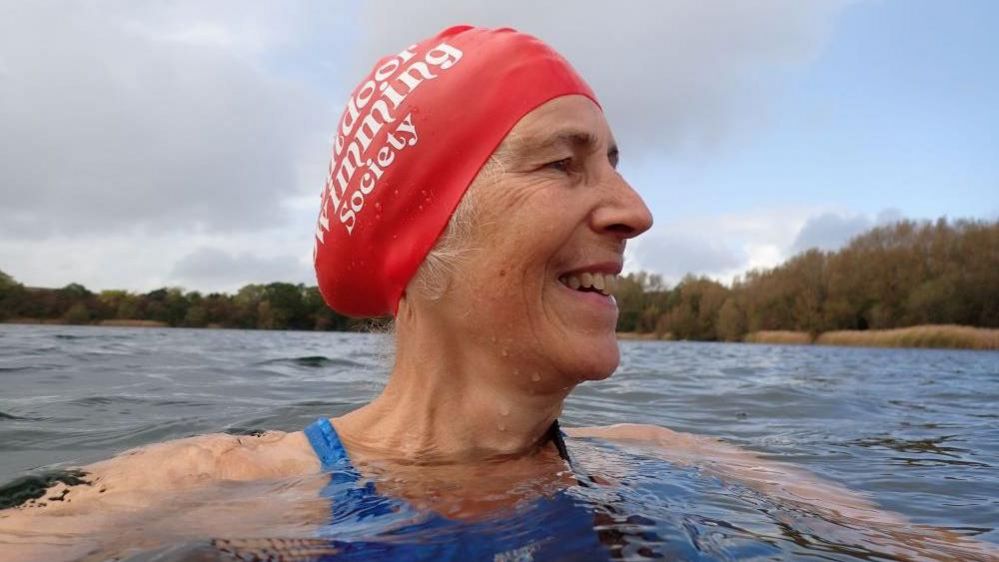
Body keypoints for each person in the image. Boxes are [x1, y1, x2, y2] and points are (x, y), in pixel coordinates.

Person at [1, 25, 995, 562]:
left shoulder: (661, 462)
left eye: (617, 162)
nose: (636, 210)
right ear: (420, 235)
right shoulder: (216, 488)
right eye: (564, 165)